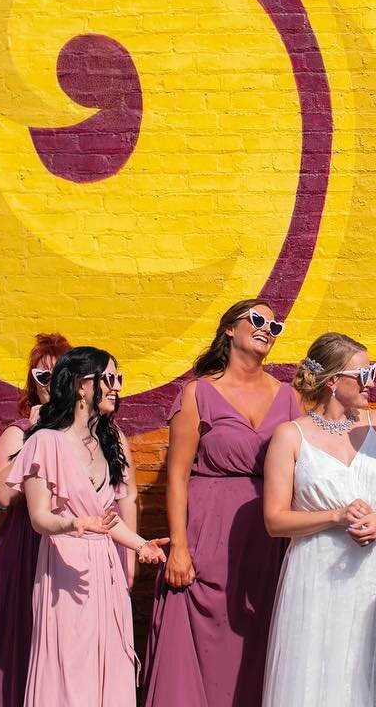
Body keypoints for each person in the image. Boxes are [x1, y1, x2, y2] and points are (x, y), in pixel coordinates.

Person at [143, 299, 301, 707]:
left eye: (275, 325)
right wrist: (178, 547)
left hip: (268, 539)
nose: (268, 328)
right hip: (207, 534)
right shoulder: (199, 393)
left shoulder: (289, 398)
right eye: (257, 319)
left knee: (259, 640)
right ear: (229, 329)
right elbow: (177, 475)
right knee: (198, 644)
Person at [260, 333, 376, 706]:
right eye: (364, 373)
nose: (372, 382)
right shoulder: (290, 436)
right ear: (333, 381)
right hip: (317, 574)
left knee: (372, 665)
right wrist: (334, 516)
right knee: (316, 671)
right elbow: (274, 520)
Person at [8, 346, 165, 706]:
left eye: (119, 379)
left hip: (105, 571)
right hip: (66, 571)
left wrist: (141, 545)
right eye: (109, 378)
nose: (116, 387)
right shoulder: (45, 441)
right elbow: (39, 518)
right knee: (71, 668)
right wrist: (74, 523)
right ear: (81, 385)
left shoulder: (107, 441)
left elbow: (106, 520)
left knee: (110, 663)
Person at [0, 332, 71, 707]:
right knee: (25, 638)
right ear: (32, 384)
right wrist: (36, 435)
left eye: (59, 374)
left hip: (71, 546)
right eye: (41, 376)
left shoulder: (88, 433)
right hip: (26, 546)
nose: (50, 384)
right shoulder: (17, 433)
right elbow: (3, 493)